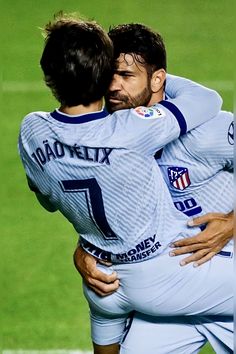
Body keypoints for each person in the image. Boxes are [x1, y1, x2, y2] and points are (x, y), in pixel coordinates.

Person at [18, 14, 231, 354]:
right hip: (166, 281)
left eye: (126, 75)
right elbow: (205, 100)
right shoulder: (131, 130)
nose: (116, 85)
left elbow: (54, 196)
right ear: (99, 75)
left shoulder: (32, 131)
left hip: (130, 279)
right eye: (110, 74)